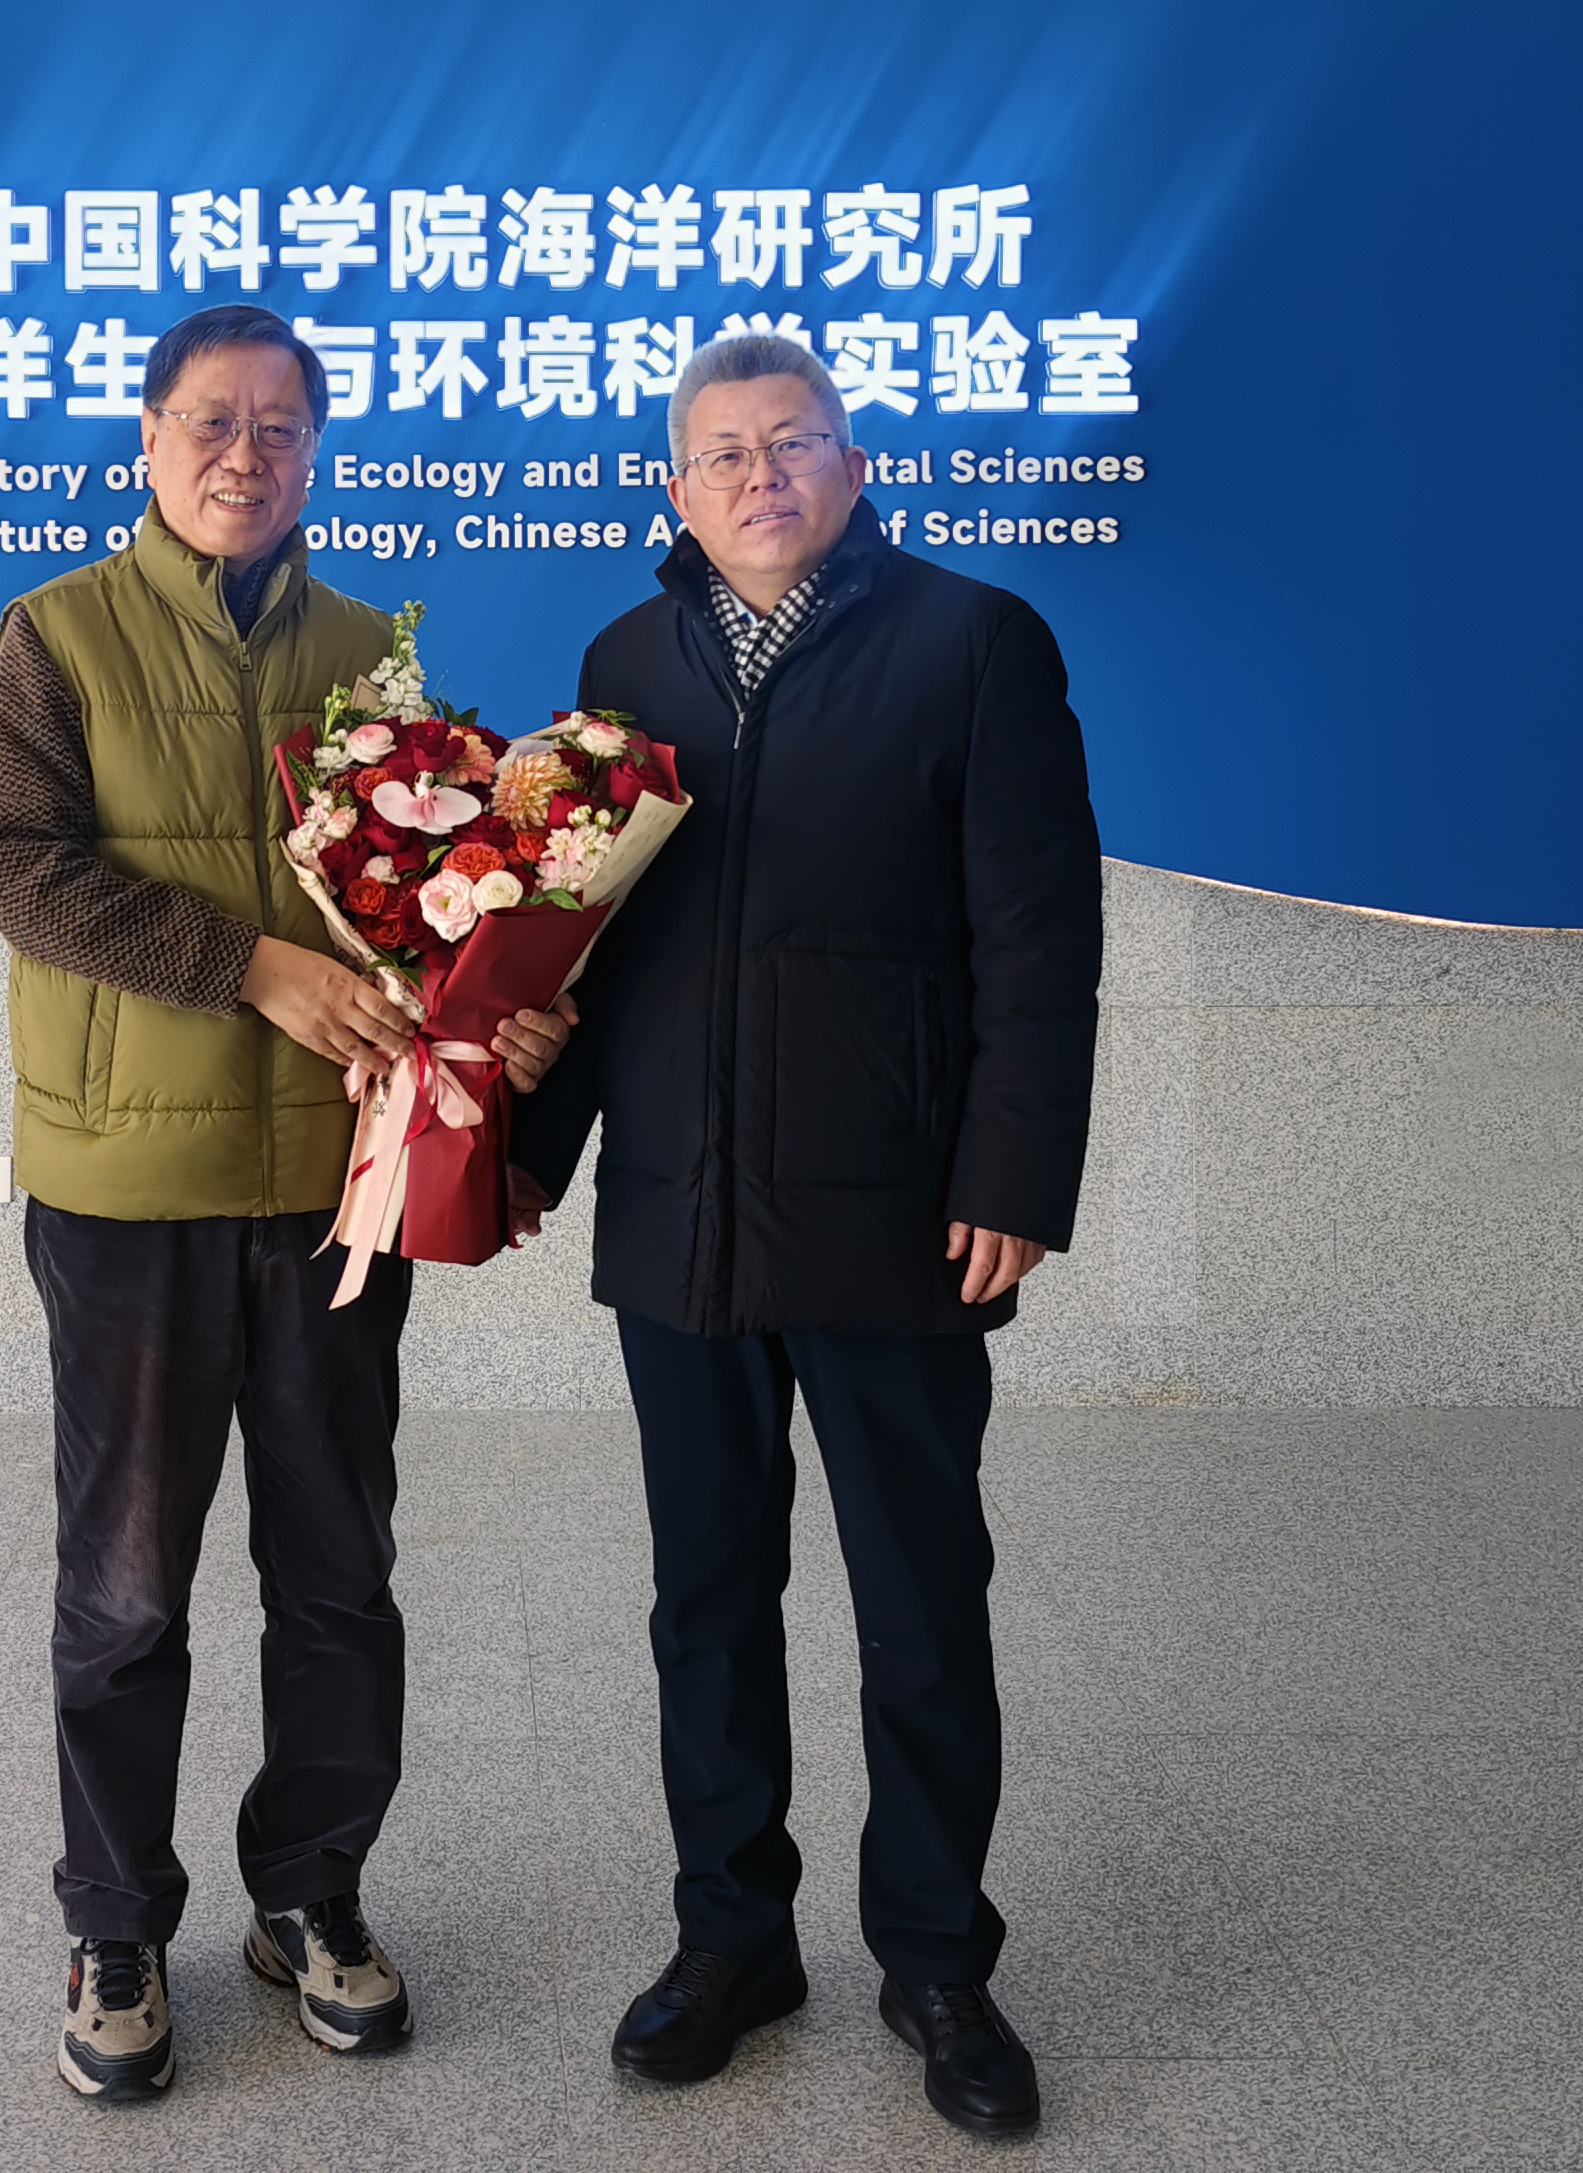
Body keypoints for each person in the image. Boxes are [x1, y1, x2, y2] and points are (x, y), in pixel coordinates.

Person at [0, 304, 572, 2102]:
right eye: (211, 422)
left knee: (335, 1569)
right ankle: (114, 1921)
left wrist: (500, 1004)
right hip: (128, 1182)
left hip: (330, 1187)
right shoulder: (56, 632)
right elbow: (25, 873)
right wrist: (247, 965)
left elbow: (432, 896)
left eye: (281, 427)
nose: (246, 455)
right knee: (124, 1587)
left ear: (316, 452)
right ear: (149, 439)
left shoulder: (368, 656)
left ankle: (309, 1890)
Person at [509, 334, 1103, 2142]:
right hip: (678, 1211)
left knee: (919, 1602)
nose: (758, 476)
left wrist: (1013, 1172)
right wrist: (529, 1149)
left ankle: (934, 1955)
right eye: (722, 453)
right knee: (704, 1595)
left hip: (895, 1213)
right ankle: (732, 1938)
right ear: (673, 488)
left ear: (853, 464)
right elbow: (587, 945)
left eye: (793, 443)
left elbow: (1037, 933)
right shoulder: (624, 663)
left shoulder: (973, 641)